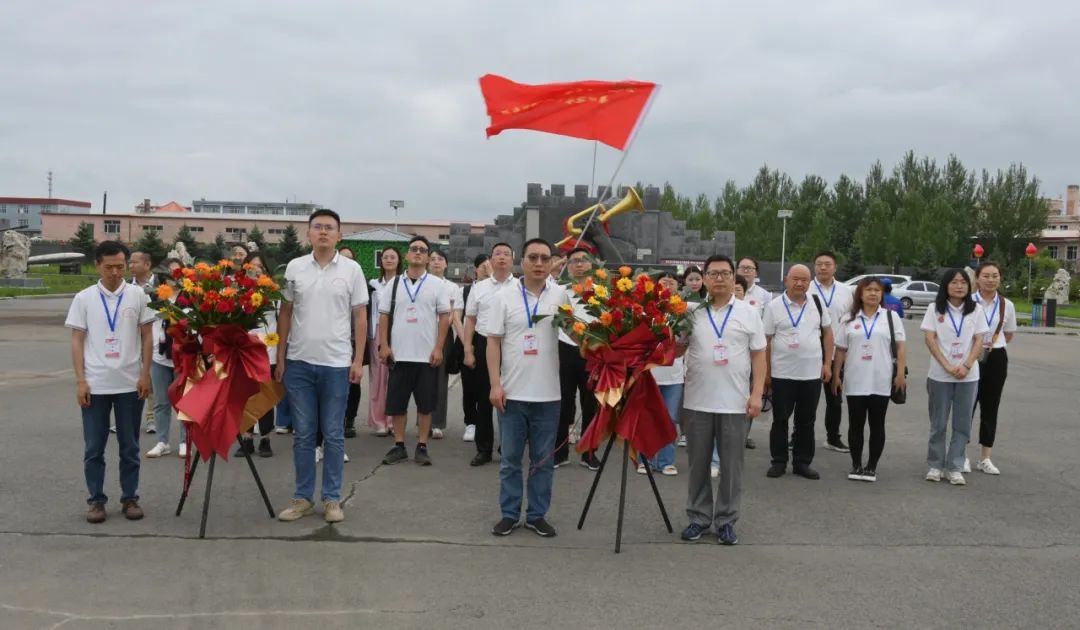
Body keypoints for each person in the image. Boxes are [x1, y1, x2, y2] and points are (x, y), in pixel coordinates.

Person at [274, 209, 368, 524]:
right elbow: (285, 312)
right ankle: (302, 498)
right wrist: (281, 356)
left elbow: (360, 317)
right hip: (299, 361)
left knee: (333, 433)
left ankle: (331, 499)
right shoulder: (295, 267)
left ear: (339, 234)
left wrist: (358, 360)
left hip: (337, 363)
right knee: (303, 434)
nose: (323, 232)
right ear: (309, 233)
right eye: (318, 227)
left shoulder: (352, 270)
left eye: (329, 227)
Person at [677, 255, 766, 545]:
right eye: (713, 273)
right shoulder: (691, 312)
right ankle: (698, 518)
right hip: (697, 401)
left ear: (733, 278)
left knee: (731, 467)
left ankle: (726, 521)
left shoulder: (749, 312)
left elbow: (759, 355)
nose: (719, 278)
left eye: (725, 273)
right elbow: (676, 350)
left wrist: (757, 394)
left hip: (735, 402)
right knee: (698, 465)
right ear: (703, 278)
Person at [66, 241, 155, 523]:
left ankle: (130, 497)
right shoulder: (84, 298)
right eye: (109, 267)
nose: (115, 272)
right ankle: (96, 501)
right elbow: (77, 340)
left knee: (130, 446)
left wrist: (145, 374)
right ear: (97, 266)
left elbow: (148, 336)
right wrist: (81, 380)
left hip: (130, 383)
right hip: (96, 384)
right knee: (94, 448)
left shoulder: (138, 296)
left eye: (120, 266)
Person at [486, 238, 570, 537]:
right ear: (522, 261)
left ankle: (536, 515)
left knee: (542, 462)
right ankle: (509, 514)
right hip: (512, 394)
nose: (539, 263)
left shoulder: (560, 295)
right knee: (510, 461)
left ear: (551, 263)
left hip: (548, 395)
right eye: (533, 257)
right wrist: (495, 384)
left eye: (545, 258)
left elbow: (576, 332)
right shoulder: (503, 296)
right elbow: (493, 342)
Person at [379, 236, 451, 466]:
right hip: (399, 355)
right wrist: (384, 345)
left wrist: (439, 347)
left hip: (426, 356)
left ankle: (422, 446)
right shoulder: (394, 284)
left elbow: (445, 317)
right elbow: (384, 316)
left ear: (428, 257)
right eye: (414, 249)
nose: (418, 252)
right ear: (407, 255)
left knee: (426, 405)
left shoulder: (437, 285)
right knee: (397, 404)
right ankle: (399, 445)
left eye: (423, 250)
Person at [832, 277, 907, 482]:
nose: (873, 293)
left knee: (877, 424)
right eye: (868, 290)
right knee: (855, 424)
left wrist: (900, 373)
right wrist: (837, 375)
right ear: (860, 294)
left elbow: (900, 347)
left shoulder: (891, 317)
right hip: (855, 379)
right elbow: (840, 350)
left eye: (877, 290)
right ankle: (856, 464)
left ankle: (872, 466)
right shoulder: (848, 318)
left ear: (882, 294)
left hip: (881, 379)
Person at [763, 264, 833, 480]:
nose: (800, 283)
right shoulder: (774, 306)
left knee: (806, 421)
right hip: (782, 374)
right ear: (786, 280)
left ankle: (802, 462)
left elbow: (828, 334)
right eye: (796, 279)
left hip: (811, 374)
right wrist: (766, 372)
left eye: (804, 280)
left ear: (809, 282)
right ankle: (779, 461)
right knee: (780, 420)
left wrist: (827, 364)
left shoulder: (817, 303)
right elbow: (766, 340)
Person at [921, 269, 989, 486]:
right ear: (945, 285)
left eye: (963, 282)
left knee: (962, 424)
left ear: (969, 286)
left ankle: (955, 466)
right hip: (940, 375)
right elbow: (930, 338)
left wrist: (967, 365)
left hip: (968, 376)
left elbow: (979, 340)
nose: (959, 286)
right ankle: (935, 464)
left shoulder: (976, 310)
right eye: (954, 282)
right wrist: (947, 365)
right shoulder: (934, 308)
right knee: (938, 423)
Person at [464, 243, 518, 466]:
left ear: (513, 259)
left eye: (506, 254)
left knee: (512, 398)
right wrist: (468, 349)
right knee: (485, 398)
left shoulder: (520, 286)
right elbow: (470, 319)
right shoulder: (479, 287)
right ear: (491, 260)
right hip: (484, 342)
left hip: (512, 345)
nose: (502, 258)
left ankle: (508, 447)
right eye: (498, 254)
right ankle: (483, 448)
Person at [555, 246, 600, 469]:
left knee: (591, 404)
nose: (579, 264)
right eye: (574, 261)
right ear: (568, 266)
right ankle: (559, 452)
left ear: (592, 264)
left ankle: (589, 453)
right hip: (565, 348)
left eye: (584, 260)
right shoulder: (560, 291)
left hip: (593, 352)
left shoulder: (602, 292)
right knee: (563, 402)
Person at [971, 262, 1017, 475]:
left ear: (1000, 278)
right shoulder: (969, 301)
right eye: (986, 276)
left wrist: (992, 344)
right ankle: (960, 455)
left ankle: (985, 457)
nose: (991, 280)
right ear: (977, 278)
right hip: (971, 355)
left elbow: (1009, 333)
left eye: (995, 276)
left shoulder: (1007, 305)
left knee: (991, 406)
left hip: (996, 356)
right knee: (967, 405)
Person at [639, 271, 684, 476]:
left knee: (669, 418)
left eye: (672, 281)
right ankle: (645, 458)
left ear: (678, 286)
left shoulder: (683, 310)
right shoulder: (645, 308)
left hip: (673, 375)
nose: (667, 284)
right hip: (649, 374)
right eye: (663, 281)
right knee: (646, 417)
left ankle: (666, 461)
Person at [145, 260, 189, 459]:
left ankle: (184, 441)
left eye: (176, 271)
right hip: (159, 357)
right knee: (161, 402)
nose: (173, 275)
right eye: (169, 271)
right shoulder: (155, 297)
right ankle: (162, 442)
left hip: (182, 357)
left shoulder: (190, 298)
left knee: (183, 402)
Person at [812, 251, 855, 453]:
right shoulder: (806, 288)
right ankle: (798, 437)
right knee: (806, 400)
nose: (823, 267)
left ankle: (833, 437)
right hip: (810, 352)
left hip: (837, 353)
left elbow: (853, 319)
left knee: (835, 399)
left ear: (835, 267)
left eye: (827, 264)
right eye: (819, 264)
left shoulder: (847, 291)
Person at [236, 252, 278, 458]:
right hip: (244, 351)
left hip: (268, 350)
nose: (256, 270)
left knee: (265, 396)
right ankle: (246, 438)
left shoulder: (274, 294)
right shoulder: (238, 293)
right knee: (245, 395)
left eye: (260, 266)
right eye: (252, 266)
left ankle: (265, 438)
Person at [428, 248, 464, 440]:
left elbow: (455, 316)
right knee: (421, 379)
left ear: (446, 264)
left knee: (440, 380)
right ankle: (422, 421)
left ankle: (436, 423)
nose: (436, 262)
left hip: (444, 333)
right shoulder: (421, 284)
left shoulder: (452, 288)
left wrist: (466, 345)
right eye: (433, 259)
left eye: (440, 259)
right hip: (423, 333)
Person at [367, 247, 401, 436]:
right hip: (377, 333)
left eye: (392, 257)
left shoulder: (403, 283)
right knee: (378, 377)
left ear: (399, 260)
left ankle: (393, 420)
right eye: (385, 257)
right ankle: (378, 421)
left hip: (398, 332)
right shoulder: (373, 284)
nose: (388, 260)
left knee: (395, 377)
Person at [461, 255, 491, 443]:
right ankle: (471, 422)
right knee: (470, 385)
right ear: (475, 269)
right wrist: (466, 345)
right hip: (468, 339)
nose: (486, 269)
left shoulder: (502, 288)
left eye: (489, 265)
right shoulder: (466, 290)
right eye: (483, 266)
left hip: (490, 340)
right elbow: (462, 317)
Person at [128, 250, 157, 434]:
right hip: (133, 338)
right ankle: (127, 418)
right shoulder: (125, 287)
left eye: (134, 262)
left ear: (147, 264)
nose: (130, 266)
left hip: (157, 338)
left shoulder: (162, 285)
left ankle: (151, 417)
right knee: (132, 377)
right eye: (129, 262)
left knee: (151, 378)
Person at [336, 246, 363, 441]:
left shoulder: (357, 280)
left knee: (353, 383)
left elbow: (362, 316)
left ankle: (349, 420)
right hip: (331, 342)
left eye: (349, 258)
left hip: (351, 340)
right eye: (342, 257)